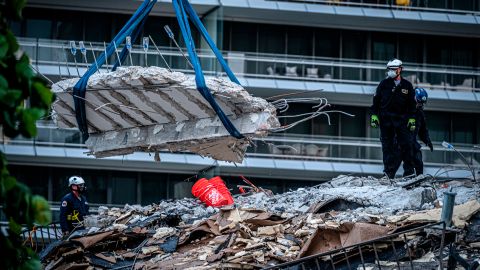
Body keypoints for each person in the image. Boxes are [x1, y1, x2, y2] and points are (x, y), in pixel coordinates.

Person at [370, 58, 417, 179]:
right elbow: (375, 101)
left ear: (400, 70)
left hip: (402, 122)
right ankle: (388, 173)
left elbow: (412, 105)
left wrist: (412, 119)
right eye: (389, 69)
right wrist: (374, 115)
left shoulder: (407, 85)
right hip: (386, 121)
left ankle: (409, 173)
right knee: (387, 147)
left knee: (407, 145)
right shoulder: (383, 84)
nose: (391, 72)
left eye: (393, 69)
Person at [393, 87, 433, 175]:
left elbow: (423, 129)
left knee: (418, 161)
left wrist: (427, 140)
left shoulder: (419, 113)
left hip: (412, 142)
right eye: (419, 102)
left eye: (422, 103)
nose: (420, 105)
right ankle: (388, 178)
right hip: (399, 142)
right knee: (394, 163)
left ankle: (418, 179)